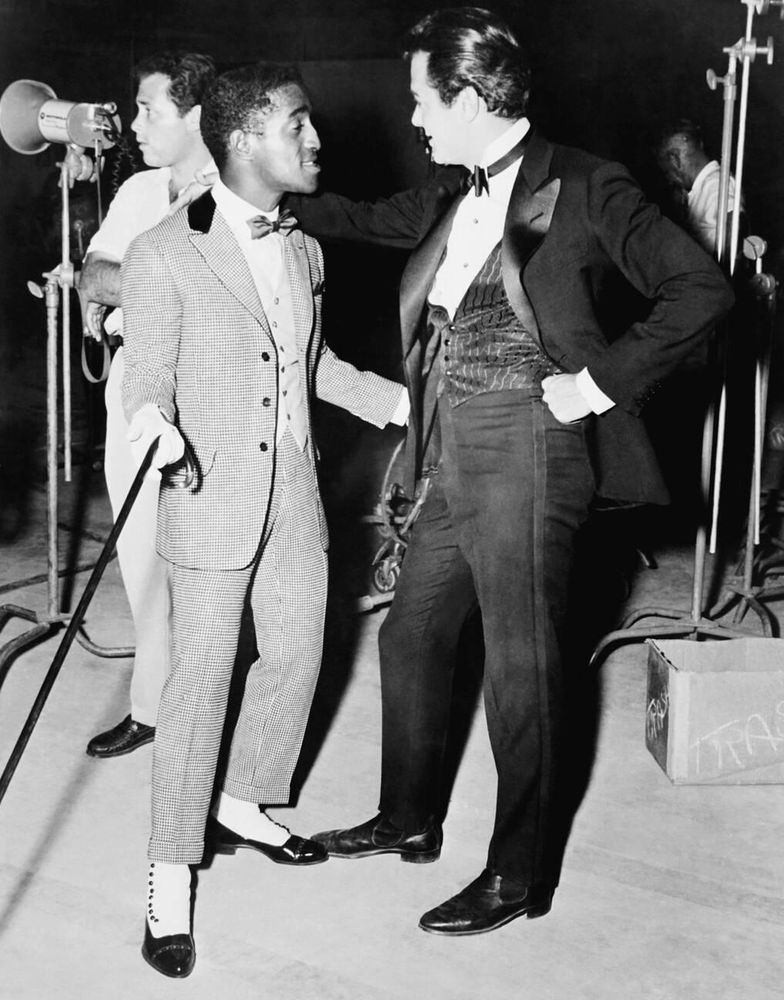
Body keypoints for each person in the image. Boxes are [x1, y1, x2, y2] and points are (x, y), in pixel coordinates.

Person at [287, 7, 734, 936]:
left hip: (531, 441)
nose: (412, 120)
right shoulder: (454, 192)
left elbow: (701, 290)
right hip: (451, 437)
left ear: (470, 96)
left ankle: (518, 872)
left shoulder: (588, 182)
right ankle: (409, 817)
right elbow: (362, 218)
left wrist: (596, 385)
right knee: (412, 633)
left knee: (521, 667)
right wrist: (259, 192)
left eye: (421, 101)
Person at [120, 61, 408, 978]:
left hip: (291, 488)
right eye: (298, 125)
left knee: (296, 652)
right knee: (200, 686)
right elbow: (149, 373)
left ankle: (245, 799)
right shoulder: (165, 251)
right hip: (208, 496)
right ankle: (170, 874)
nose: (315, 139)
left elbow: (309, 365)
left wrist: (399, 404)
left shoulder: (303, 251)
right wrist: (153, 423)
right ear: (245, 139)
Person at [79, 51, 218, 758]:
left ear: (195, 115)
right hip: (134, 392)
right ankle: (151, 706)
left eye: (148, 110)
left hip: (207, 393)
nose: (132, 124)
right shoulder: (138, 189)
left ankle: (210, 717)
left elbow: (214, 296)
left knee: (212, 569)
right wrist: (146, 284)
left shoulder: (238, 191)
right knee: (139, 554)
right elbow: (91, 274)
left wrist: (130, 285)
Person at [655, 118, 738, 255]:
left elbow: (736, 223)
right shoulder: (702, 188)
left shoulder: (715, 185)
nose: (669, 180)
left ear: (675, 160)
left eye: (666, 171)